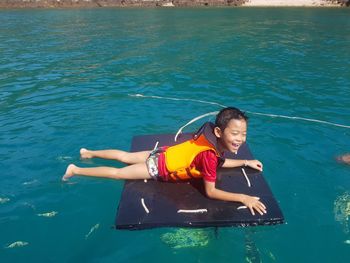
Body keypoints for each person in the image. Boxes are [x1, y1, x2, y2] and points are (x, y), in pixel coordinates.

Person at [63, 107, 266, 216]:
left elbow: (219, 163)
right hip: (156, 167)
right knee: (117, 174)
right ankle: (76, 170)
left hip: (162, 153)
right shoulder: (209, 155)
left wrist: (245, 162)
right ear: (219, 132)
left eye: (244, 134)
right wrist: (243, 197)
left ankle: (88, 152)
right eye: (235, 133)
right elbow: (211, 192)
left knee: (124, 156)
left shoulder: (210, 142)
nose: (240, 139)